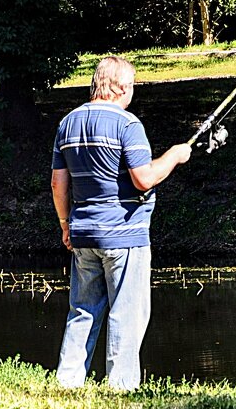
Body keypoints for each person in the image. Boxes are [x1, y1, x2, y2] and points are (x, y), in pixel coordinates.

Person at [51, 56, 192, 390]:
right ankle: (121, 386)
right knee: (126, 314)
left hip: (83, 234)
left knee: (83, 310)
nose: (132, 92)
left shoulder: (67, 124)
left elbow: (59, 184)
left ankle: (68, 382)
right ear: (120, 86)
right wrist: (174, 155)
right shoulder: (128, 125)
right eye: (131, 86)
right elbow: (143, 179)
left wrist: (64, 225)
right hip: (124, 236)